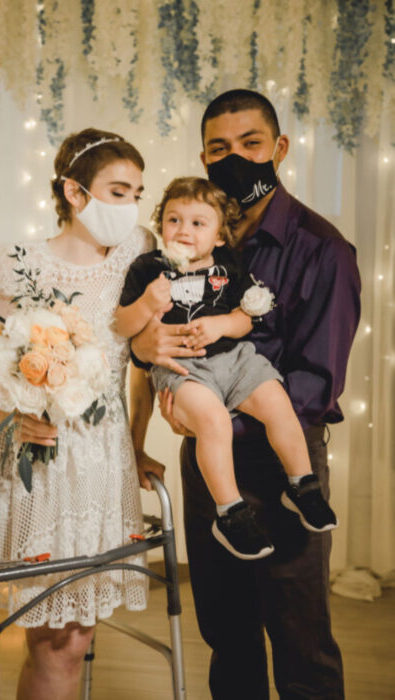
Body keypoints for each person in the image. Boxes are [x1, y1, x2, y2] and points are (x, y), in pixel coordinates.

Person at [132, 90, 361, 699]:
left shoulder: (323, 249)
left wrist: (216, 412)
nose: (235, 159)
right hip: (210, 466)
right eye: (219, 149)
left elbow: (315, 383)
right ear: (203, 160)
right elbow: (142, 336)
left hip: (282, 458)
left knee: (300, 636)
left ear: (279, 148)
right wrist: (153, 352)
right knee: (226, 634)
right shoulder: (184, 251)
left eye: (250, 144)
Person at [0, 128, 164, 700]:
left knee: (72, 639)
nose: (131, 204)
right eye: (118, 189)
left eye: (137, 190)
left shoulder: (141, 252)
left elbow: (139, 368)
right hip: (38, 467)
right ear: (75, 191)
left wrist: (136, 446)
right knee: (55, 639)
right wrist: (10, 418)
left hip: (102, 468)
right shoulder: (21, 265)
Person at [116, 175, 338, 561]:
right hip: (183, 369)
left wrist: (221, 325)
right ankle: (230, 511)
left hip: (235, 360)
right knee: (214, 421)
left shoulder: (230, 267)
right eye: (174, 220)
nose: (184, 230)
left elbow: (248, 317)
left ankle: (302, 484)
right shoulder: (147, 268)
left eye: (198, 223)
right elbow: (121, 327)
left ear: (219, 236)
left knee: (276, 402)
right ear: (161, 223)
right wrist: (147, 304)